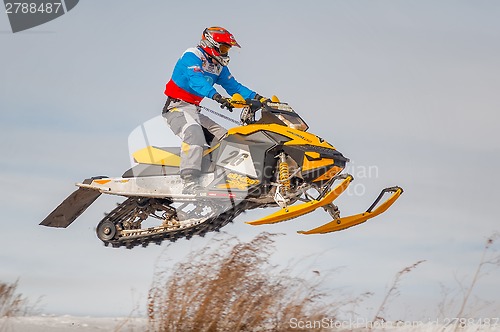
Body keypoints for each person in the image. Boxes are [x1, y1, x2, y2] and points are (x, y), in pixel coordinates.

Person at [162, 26, 265, 194]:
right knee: (193, 132)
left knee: (228, 138)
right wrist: (216, 96)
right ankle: (189, 181)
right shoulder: (193, 55)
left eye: (227, 49)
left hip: (194, 111)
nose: (226, 52)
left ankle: (225, 180)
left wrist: (259, 98)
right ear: (211, 44)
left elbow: (234, 86)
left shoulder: (218, 66)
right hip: (176, 108)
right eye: (224, 48)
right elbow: (195, 79)